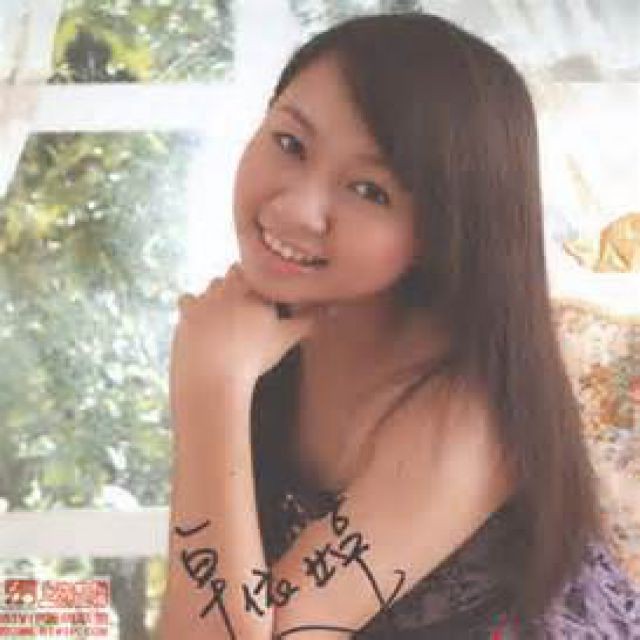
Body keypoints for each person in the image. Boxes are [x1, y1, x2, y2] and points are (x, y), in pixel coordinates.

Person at [159, 12, 640, 639]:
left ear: (443, 231)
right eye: (290, 143)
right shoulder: (256, 343)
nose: (297, 209)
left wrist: (211, 388)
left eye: (369, 190)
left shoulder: (468, 410)